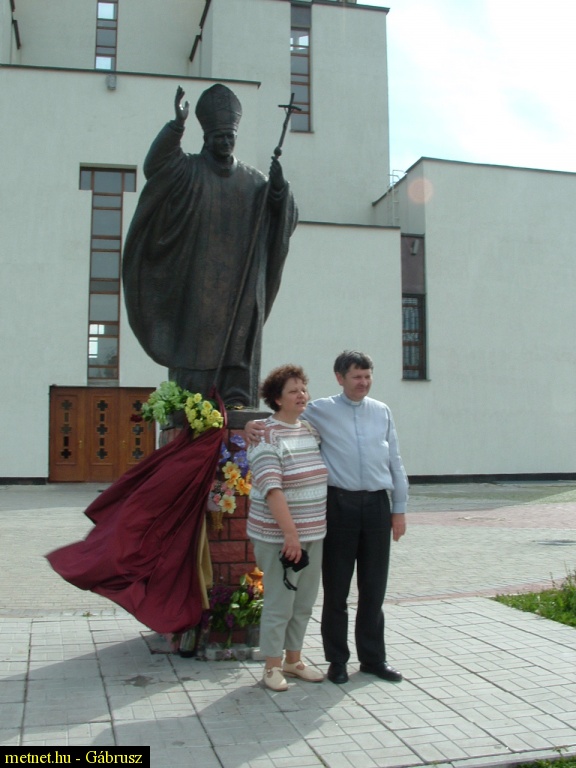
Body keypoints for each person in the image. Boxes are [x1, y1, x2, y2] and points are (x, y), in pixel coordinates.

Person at [122, 84, 298, 407]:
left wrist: (278, 189)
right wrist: (177, 126)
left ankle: (235, 403)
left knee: (238, 349)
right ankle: (194, 404)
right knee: (195, 348)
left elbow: (284, 219)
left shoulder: (254, 181)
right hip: (197, 284)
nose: (226, 142)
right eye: (220, 137)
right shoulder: (189, 170)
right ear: (206, 137)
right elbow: (156, 167)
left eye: (231, 136)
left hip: (240, 287)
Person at [246, 351, 408, 684]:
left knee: (373, 588)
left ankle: (373, 659)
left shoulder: (380, 411)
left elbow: (395, 460)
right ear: (339, 378)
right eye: (356, 376)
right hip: (338, 508)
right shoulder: (318, 411)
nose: (363, 382)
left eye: (367, 375)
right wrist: (250, 424)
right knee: (335, 591)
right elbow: (278, 417)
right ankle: (336, 661)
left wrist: (399, 508)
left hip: (375, 507)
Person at [247, 365, 328, 691]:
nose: (301, 395)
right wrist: (290, 535)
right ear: (277, 399)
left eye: (303, 389)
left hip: (314, 534)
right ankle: (271, 666)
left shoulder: (309, 430)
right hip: (279, 538)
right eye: (293, 391)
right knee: (280, 603)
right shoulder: (265, 435)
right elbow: (272, 489)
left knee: (303, 602)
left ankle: (293, 660)